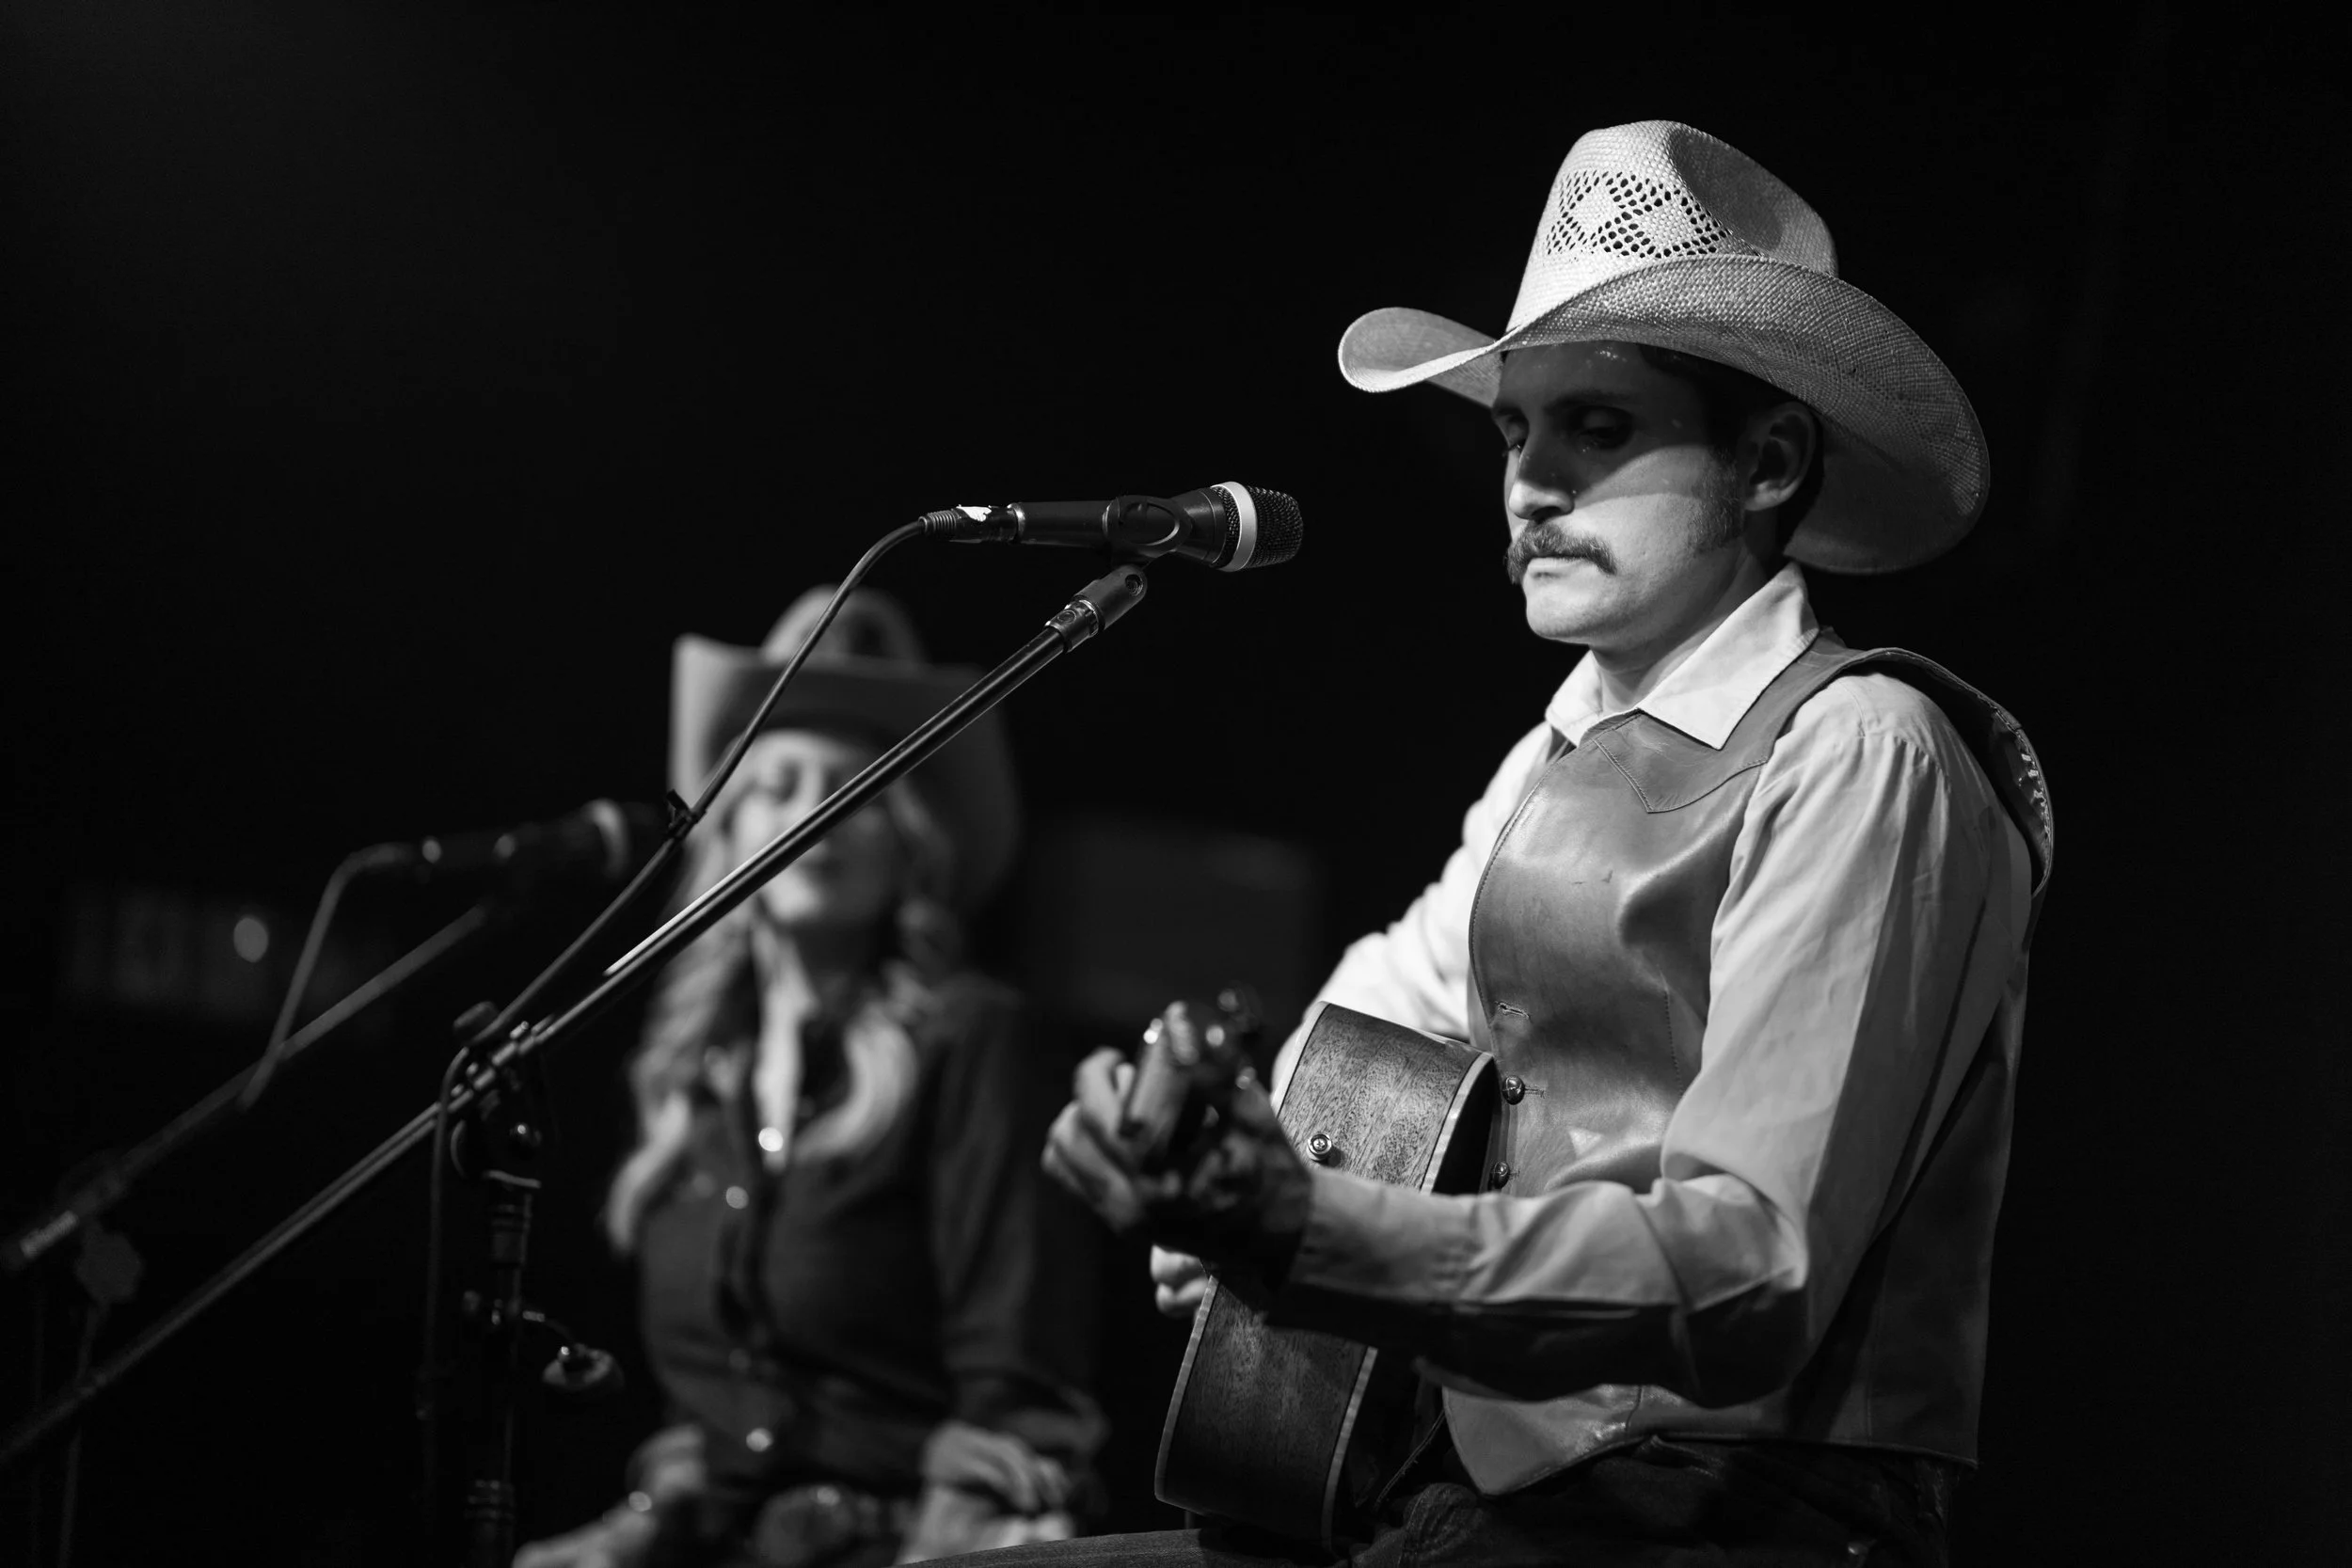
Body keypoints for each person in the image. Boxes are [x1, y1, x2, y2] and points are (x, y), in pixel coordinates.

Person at [1035, 120, 2055, 1565]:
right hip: (1480, 1484)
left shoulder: (1865, 748)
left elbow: (1750, 1263)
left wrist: (1310, 1229)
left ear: (1767, 460)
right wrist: (1205, 1142)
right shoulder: (1559, 751)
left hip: (1735, 1510)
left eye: (1600, 427)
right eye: (1516, 430)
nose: (1528, 484)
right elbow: (1387, 1007)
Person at [519, 588, 1103, 1568]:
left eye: (853, 790)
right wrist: (636, 1524)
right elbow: (711, 1414)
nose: (811, 816)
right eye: (778, 784)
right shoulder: (697, 1078)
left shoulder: (969, 1038)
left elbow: (1020, 1388)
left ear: (908, 839)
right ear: (729, 832)